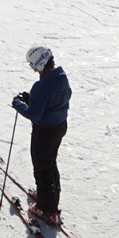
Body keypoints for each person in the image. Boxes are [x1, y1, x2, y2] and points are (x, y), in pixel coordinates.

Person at [13, 45, 71, 226]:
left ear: (39, 64)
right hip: (59, 126)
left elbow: (35, 115)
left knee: (41, 168)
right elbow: (53, 99)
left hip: (44, 132)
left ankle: (47, 209)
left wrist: (19, 104)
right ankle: (49, 197)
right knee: (50, 163)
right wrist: (32, 99)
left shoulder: (41, 85)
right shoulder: (61, 77)